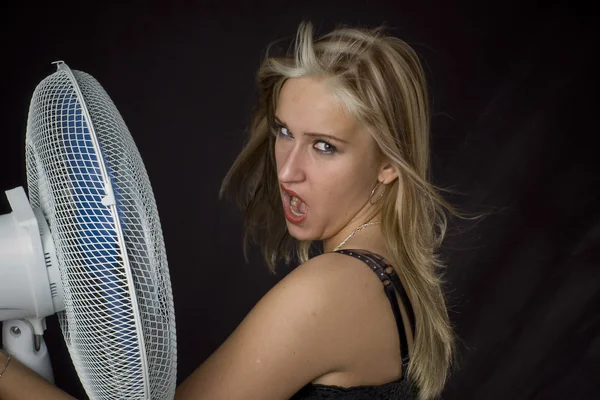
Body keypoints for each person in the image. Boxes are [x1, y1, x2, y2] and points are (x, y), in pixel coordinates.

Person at [0, 21, 462, 400]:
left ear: (388, 162)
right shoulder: (394, 284)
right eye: (284, 132)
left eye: (325, 146)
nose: (288, 172)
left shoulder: (332, 289)